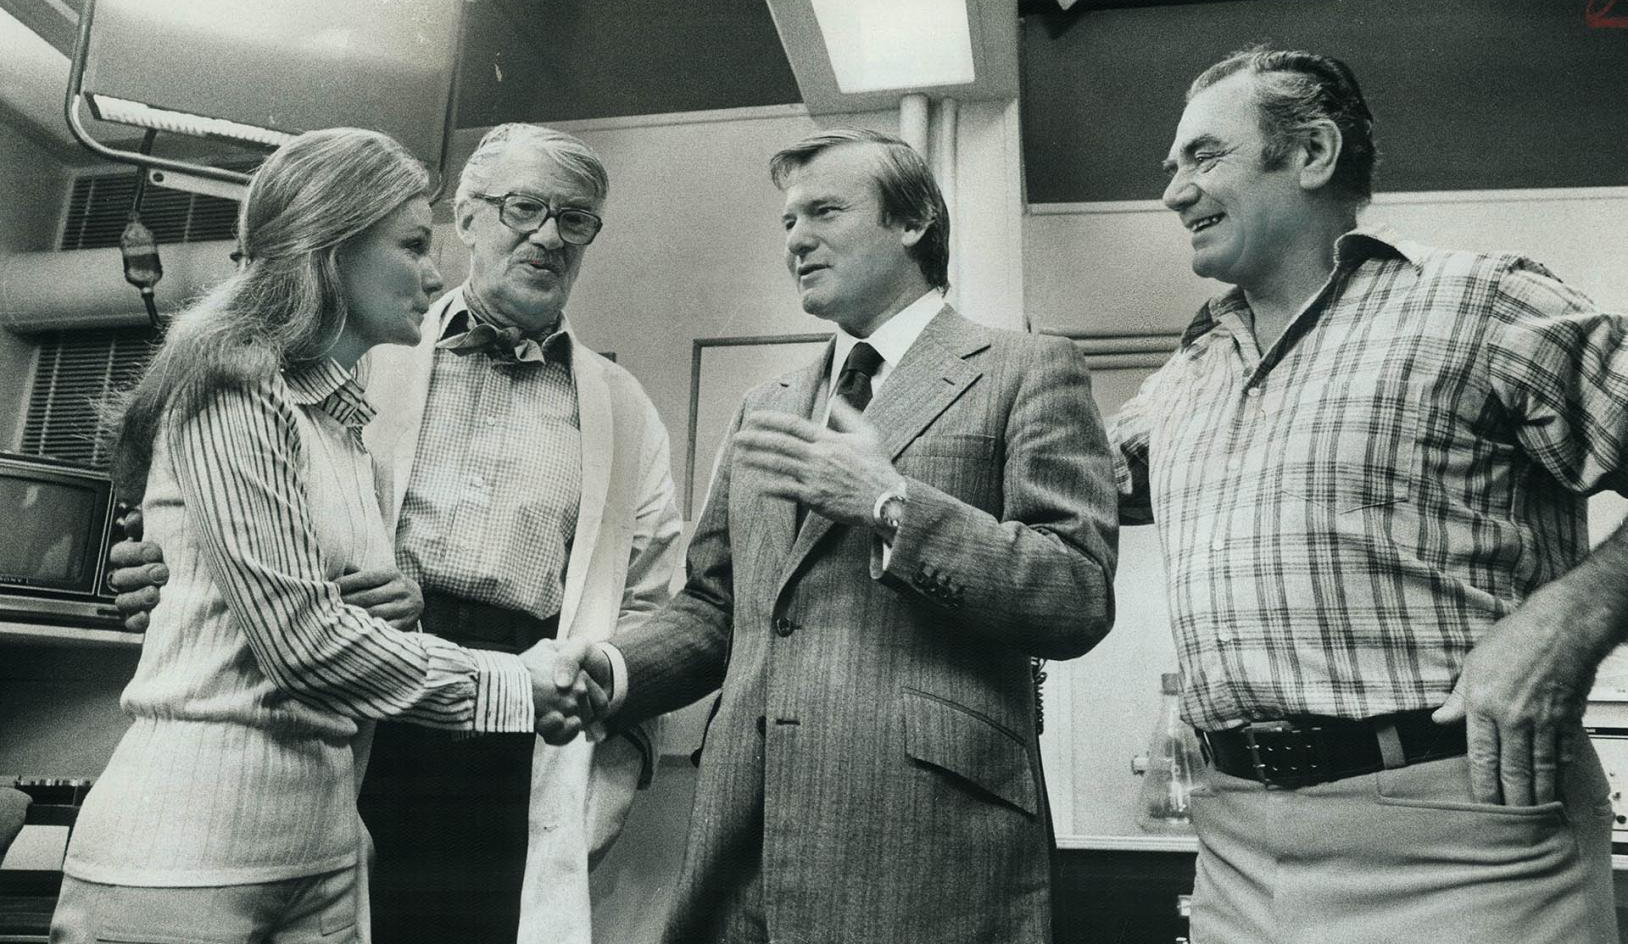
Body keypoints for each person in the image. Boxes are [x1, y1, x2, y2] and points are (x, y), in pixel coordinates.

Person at [109, 123, 685, 944]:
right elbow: (249, 542)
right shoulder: (356, 349)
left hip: (524, 728)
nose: (551, 236)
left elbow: (651, 607)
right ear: (469, 217)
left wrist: (624, 756)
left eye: (577, 219)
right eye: (527, 207)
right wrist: (170, 572)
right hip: (353, 703)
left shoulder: (623, 408)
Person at [549, 128, 1120, 944]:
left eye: (823, 211)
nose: (796, 241)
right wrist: (609, 670)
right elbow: (718, 605)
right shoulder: (768, 404)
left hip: (925, 846)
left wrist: (891, 504)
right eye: (787, 222)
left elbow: (1076, 593)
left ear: (914, 220)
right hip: (743, 841)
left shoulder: (1024, 369)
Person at [1110, 45, 1627, 943]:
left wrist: (1572, 619)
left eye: (1203, 157)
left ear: (1311, 152)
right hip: (1234, 851)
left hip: (1468, 846)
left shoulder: (1479, 302)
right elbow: (1060, 495)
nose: (1172, 192)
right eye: (1172, 168)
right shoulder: (1185, 376)